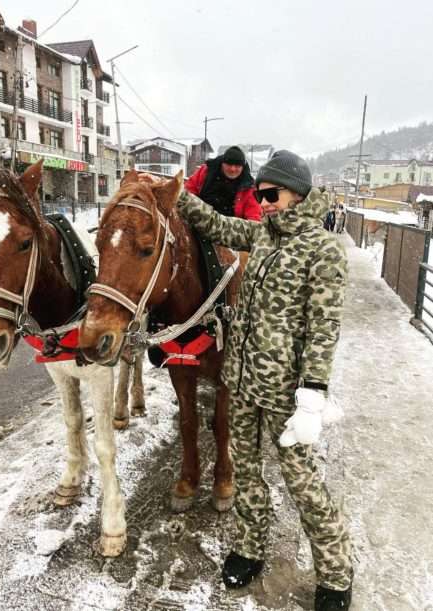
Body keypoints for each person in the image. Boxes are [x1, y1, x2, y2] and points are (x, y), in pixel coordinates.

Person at [177, 150, 353, 611]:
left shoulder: (323, 248)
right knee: (248, 473)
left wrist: (313, 394)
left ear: (298, 193)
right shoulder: (262, 235)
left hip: (286, 395)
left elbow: (324, 326)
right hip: (242, 381)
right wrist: (175, 195)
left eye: (272, 194)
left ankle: (336, 573)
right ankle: (250, 547)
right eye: (261, 194)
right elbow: (218, 225)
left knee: (303, 483)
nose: (265, 202)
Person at [185, 145, 261, 220]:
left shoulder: (249, 188)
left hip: (231, 229)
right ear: (222, 163)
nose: (232, 169)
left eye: (237, 165)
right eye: (229, 164)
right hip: (198, 219)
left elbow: (253, 218)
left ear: (243, 167)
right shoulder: (206, 172)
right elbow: (187, 193)